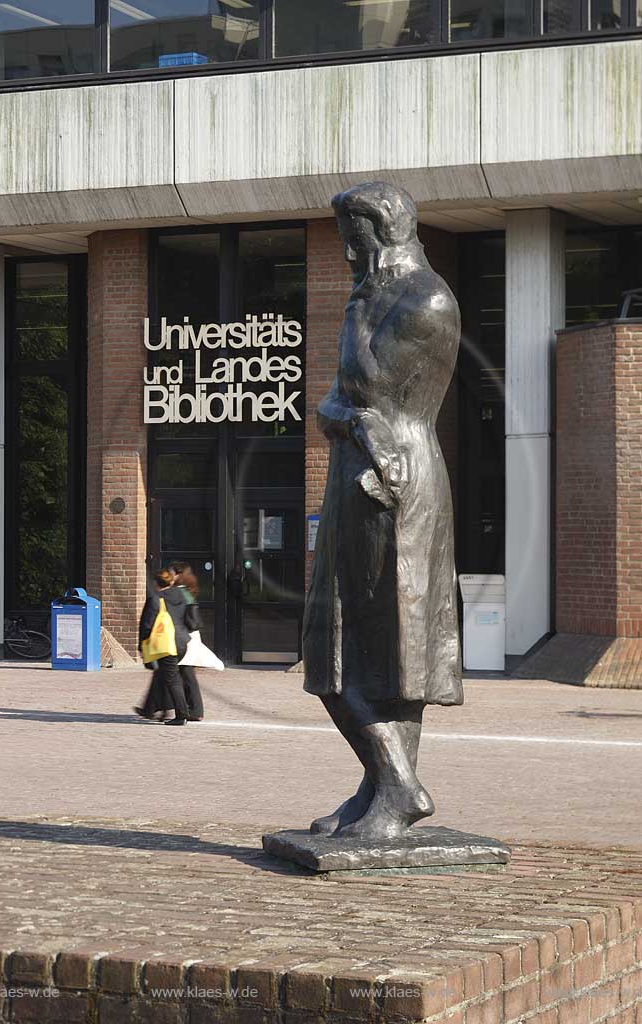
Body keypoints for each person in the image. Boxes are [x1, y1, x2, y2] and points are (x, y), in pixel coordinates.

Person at [302, 182, 463, 840]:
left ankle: (397, 789)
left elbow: (362, 391)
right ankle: (382, 787)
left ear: (385, 229)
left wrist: (347, 416)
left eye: (355, 236)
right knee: (336, 647)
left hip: (396, 484)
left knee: (390, 647)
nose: (345, 250)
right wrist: (346, 418)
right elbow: (336, 407)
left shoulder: (423, 298)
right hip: (359, 472)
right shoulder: (369, 294)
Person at [136, 569, 192, 726]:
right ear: (171, 582)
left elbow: (146, 625)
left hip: (166, 644)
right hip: (181, 641)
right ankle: (151, 709)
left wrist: (142, 646)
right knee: (162, 675)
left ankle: (181, 714)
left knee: (171, 679)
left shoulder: (156, 599)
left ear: (156, 583)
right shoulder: (180, 595)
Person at [169, 562, 205, 722]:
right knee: (187, 672)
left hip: (185, 637)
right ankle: (194, 709)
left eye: (171, 573)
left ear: (178, 575)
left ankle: (195, 710)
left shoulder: (179, 593)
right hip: (190, 635)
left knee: (186, 673)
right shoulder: (187, 590)